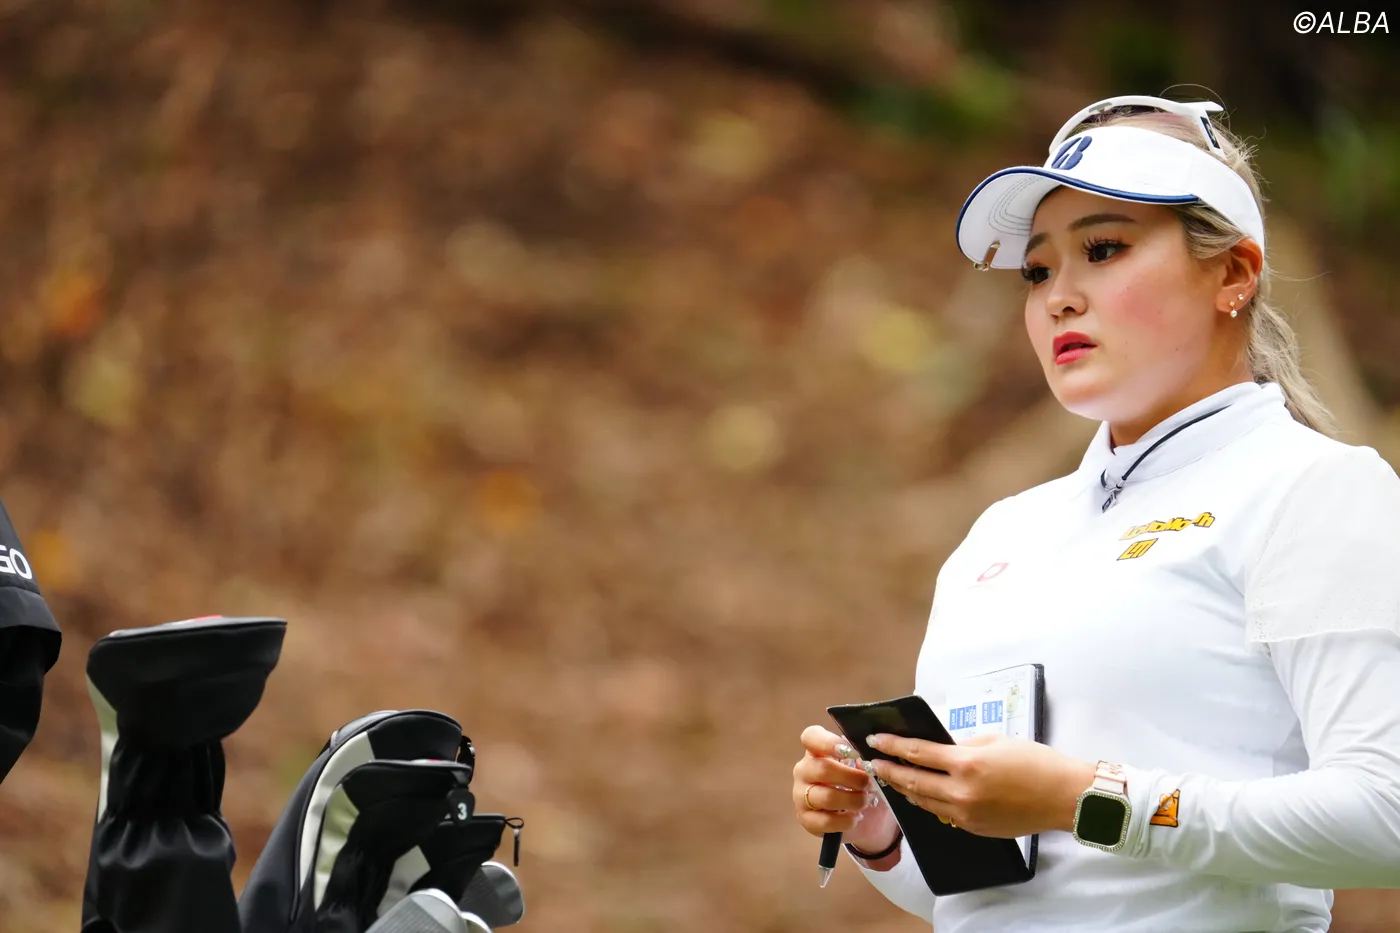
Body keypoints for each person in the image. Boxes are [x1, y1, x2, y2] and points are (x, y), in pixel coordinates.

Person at [790, 95, 1400, 932]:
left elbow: (1385, 816)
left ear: (1234, 273)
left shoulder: (1313, 486)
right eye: (1037, 271)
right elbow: (990, 891)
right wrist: (885, 832)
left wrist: (1085, 798)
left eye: (1103, 250)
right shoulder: (1001, 533)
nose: (1059, 298)